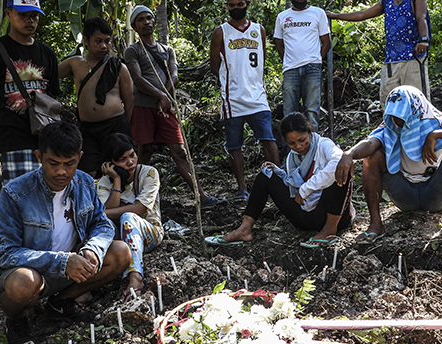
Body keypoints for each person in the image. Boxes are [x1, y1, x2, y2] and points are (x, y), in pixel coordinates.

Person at [0, 121, 131, 344]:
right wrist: (63, 261)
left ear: (80, 158)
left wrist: (92, 249)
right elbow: (6, 253)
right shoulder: (15, 193)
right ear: (39, 156)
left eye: (70, 163)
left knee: (120, 253)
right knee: (23, 282)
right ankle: (15, 321)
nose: (61, 171)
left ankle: (60, 304)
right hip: (32, 272)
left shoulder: (84, 182)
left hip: (72, 268)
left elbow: (102, 224)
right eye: (53, 163)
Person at [335, 86, 442, 244]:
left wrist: (436, 135)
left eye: (402, 115)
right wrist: (349, 154)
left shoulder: (437, 123)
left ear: (417, 111)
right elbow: (370, 144)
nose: (398, 121)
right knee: (372, 158)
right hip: (405, 194)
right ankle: (375, 223)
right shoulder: (390, 129)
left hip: (436, 192)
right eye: (394, 115)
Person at [125, 5, 226, 209]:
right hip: (143, 106)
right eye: (141, 20)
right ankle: (135, 197)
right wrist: (162, 95)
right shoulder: (132, 50)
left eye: (150, 18)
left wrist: (166, 97)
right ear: (134, 26)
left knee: (179, 151)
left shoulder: (167, 50)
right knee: (144, 150)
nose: (147, 22)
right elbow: (137, 78)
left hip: (165, 107)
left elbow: (174, 75)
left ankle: (202, 196)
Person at [206, 112, 351, 248]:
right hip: (305, 214)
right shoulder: (292, 157)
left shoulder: (324, 144)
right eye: (292, 143)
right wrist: (279, 173)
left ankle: (329, 230)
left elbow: (338, 161)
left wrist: (307, 188)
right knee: (266, 174)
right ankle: (245, 229)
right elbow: (293, 181)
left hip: (333, 215)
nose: (298, 146)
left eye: (302, 140)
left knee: (343, 169)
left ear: (310, 131)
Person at [0, 0, 60, 184]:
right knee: (21, 198)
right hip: (13, 138)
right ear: (8, 14)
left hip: (46, 139)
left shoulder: (47, 53)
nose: (30, 20)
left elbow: (53, 94)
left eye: (34, 16)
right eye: (22, 15)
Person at [210, 0, 280, 203]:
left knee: (268, 139)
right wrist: (231, 81)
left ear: (247, 3)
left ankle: (278, 182)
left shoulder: (259, 30)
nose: (235, 8)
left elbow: (262, 58)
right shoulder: (220, 32)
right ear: (226, 6)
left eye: (239, 3)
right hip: (233, 98)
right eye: (231, 5)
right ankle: (242, 188)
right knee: (235, 145)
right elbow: (215, 66)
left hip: (257, 95)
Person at [58, 17, 133, 179]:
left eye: (107, 41)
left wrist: (123, 130)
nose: (103, 46)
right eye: (98, 41)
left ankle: (121, 203)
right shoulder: (75, 63)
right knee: (87, 171)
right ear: (86, 40)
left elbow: (129, 102)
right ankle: (91, 203)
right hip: (87, 128)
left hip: (115, 125)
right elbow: (49, 74)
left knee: (119, 169)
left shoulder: (119, 67)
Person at [326, 0, 430, 107]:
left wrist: (424, 40)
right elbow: (362, 14)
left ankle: (419, 124)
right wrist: (335, 16)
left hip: (413, 58)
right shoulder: (386, 2)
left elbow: (421, 18)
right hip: (391, 60)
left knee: (416, 100)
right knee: (389, 101)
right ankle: (391, 124)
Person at [95, 133, 163, 294]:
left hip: (150, 233)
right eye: (122, 159)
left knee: (128, 216)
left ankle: (135, 277)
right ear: (111, 163)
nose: (130, 162)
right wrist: (117, 180)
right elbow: (107, 212)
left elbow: (140, 210)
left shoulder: (149, 173)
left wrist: (105, 212)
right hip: (120, 241)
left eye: (132, 155)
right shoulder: (105, 182)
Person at [273, 0, 331, 130]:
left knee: (312, 111)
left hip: (312, 68)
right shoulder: (282, 17)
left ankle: (314, 147)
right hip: (290, 70)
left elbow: (327, 43)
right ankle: (290, 149)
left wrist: (315, 60)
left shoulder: (318, 13)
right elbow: (279, 44)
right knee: (289, 112)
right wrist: (289, 61)